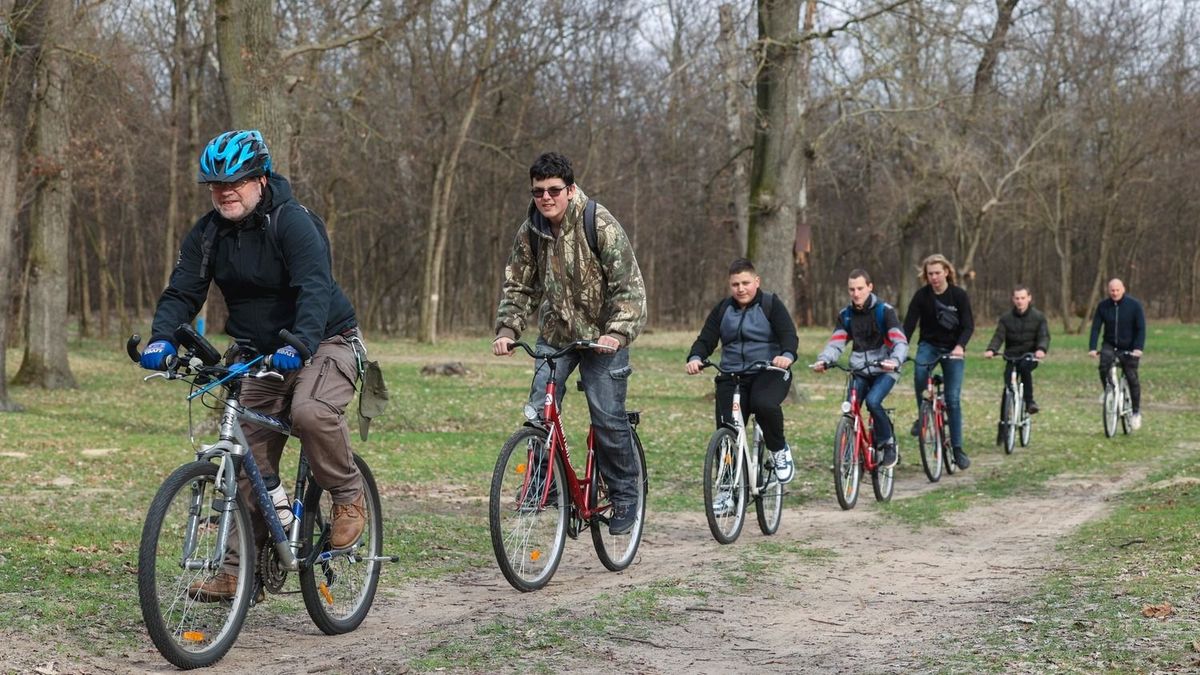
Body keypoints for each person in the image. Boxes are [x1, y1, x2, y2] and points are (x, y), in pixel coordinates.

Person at [140, 130, 367, 600]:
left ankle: (348, 496)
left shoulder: (294, 223)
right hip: (260, 351)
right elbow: (183, 291)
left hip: (325, 339)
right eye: (215, 184)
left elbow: (315, 289)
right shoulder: (208, 233)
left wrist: (301, 343)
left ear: (261, 179)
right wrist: (162, 337)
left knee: (309, 412)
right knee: (242, 456)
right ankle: (240, 572)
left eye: (237, 181)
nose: (225, 191)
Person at [492, 152, 647, 536]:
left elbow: (630, 287)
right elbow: (519, 285)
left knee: (606, 415)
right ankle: (541, 484)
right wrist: (508, 330)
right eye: (538, 191)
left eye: (554, 190)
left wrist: (617, 331)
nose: (546, 198)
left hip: (603, 338)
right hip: (557, 335)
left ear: (570, 189)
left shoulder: (599, 223)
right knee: (537, 411)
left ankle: (626, 494)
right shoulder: (531, 230)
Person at [686, 258, 800, 484]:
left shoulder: (770, 304)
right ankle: (727, 487)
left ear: (756, 281)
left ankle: (778, 450)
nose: (741, 289)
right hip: (731, 375)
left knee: (764, 404)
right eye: (736, 284)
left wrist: (786, 356)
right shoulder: (723, 309)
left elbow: (789, 335)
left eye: (745, 283)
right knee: (726, 431)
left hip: (768, 371)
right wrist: (695, 357)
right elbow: (706, 339)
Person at [812, 269, 908, 468]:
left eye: (860, 288)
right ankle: (846, 457)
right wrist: (824, 360)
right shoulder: (846, 316)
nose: (856, 293)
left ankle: (887, 443)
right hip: (860, 370)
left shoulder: (885, 311)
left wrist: (896, 361)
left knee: (873, 402)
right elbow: (836, 344)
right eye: (851, 289)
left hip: (885, 369)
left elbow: (900, 342)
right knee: (850, 409)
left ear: (870, 287)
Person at [903, 254, 974, 469]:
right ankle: (923, 416)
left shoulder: (958, 296)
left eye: (937, 273)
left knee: (952, 399)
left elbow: (968, 325)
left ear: (946, 272)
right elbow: (908, 326)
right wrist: (900, 348)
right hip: (929, 346)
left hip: (953, 349)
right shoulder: (921, 296)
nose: (934, 277)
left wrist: (960, 347)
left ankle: (958, 448)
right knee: (919, 371)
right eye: (930, 274)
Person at [984, 285, 1050, 418]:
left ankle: (1030, 402)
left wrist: (1041, 349)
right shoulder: (1006, 318)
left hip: (1029, 355)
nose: (1020, 301)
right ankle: (1005, 419)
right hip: (1011, 356)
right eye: (1017, 298)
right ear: (1013, 299)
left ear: (1029, 298)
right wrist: (992, 350)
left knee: (1025, 369)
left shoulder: (1038, 317)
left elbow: (1044, 336)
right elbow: (999, 336)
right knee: (1007, 385)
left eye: (1023, 298)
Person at [1088, 278, 1146, 429]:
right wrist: (1092, 348)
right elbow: (1095, 328)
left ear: (1123, 289)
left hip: (1130, 347)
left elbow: (1141, 328)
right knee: (1103, 366)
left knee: (1132, 378)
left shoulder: (1134, 306)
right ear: (1108, 290)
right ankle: (1108, 390)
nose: (1114, 293)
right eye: (1112, 290)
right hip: (1110, 345)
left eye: (1117, 290)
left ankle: (1135, 413)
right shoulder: (1103, 306)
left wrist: (1138, 348)